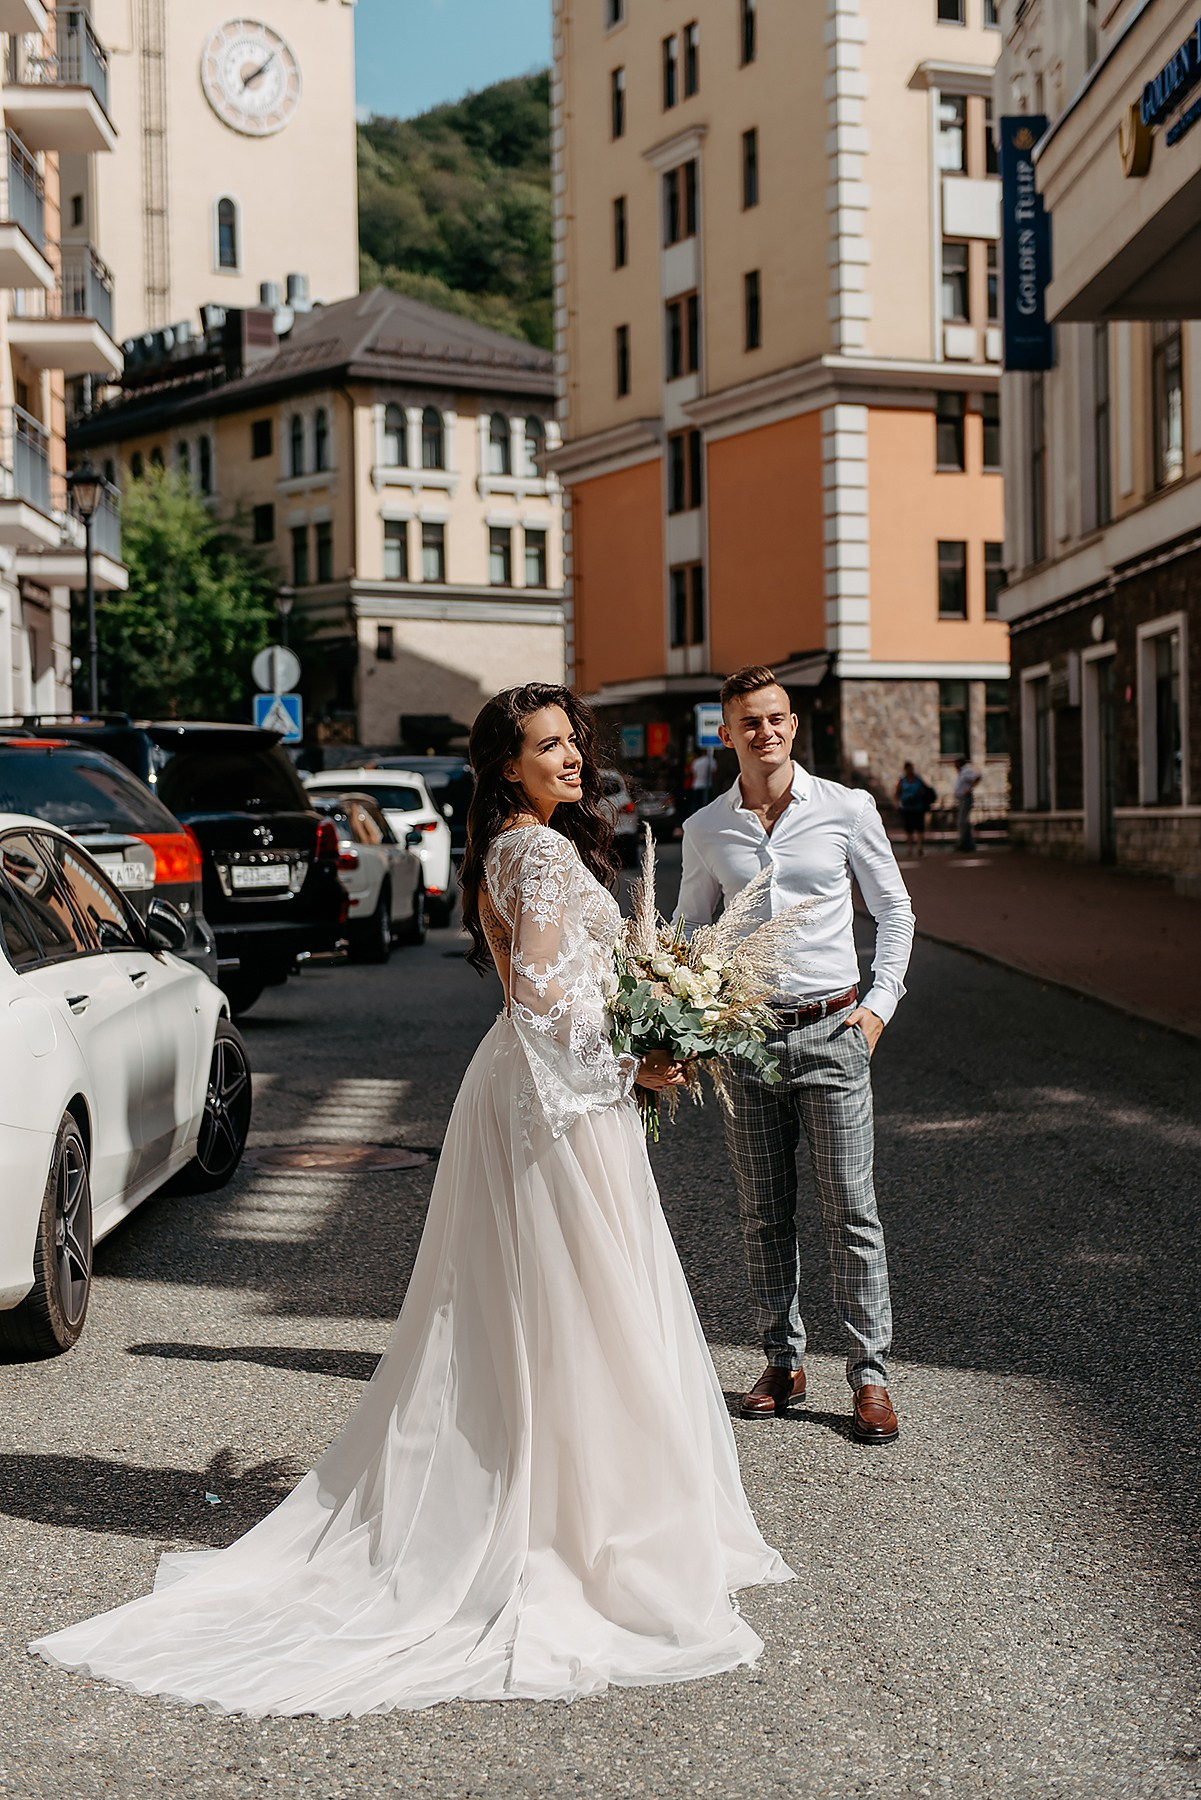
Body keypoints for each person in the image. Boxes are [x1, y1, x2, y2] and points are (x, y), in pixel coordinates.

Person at [31, 682, 791, 1717]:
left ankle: (554, 1494)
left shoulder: (514, 846)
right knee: (575, 1303)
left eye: (572, 741)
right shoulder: (536, 852)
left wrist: (635, 1031)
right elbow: (543, 998)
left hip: (538, 1088)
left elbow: (552, 990)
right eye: (547, 747)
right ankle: (575, 1523)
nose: (571, 758)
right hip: (557, 1096)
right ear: (508, 767)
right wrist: (636, 1064)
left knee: (527, 1308)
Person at [676, 666, 915, 1445]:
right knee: (762, 1213)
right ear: (726, 733)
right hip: (747, 1040)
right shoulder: (706, 828)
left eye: (776, 718)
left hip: (833, 1030)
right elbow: (689, 927)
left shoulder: (846, 808)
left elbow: (893, 908)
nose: (765, 732)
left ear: (793, 724)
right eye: (749, 721)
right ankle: (782, 1361)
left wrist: (877, 1007)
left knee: (850, 1208)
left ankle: (869, 1375)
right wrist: (694, 1015)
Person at [894, 761, 935, 858]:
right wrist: (897, 804)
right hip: (907, 808)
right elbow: (897, 792)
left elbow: (925, 789)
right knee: (909, 829)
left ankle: (919, 847)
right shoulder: (902, 781)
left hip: (918, 807)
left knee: (920, 828)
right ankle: (910, 848)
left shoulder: (918, 780)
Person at [953, 755, 982, 853]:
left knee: (962, 821)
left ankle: (962, 843)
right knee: (964, 822)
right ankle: (969, 844)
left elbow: (977, 777)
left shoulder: (966, 771)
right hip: (961, 798)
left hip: (965, 798)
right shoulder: (961, 773)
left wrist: (970, 789)